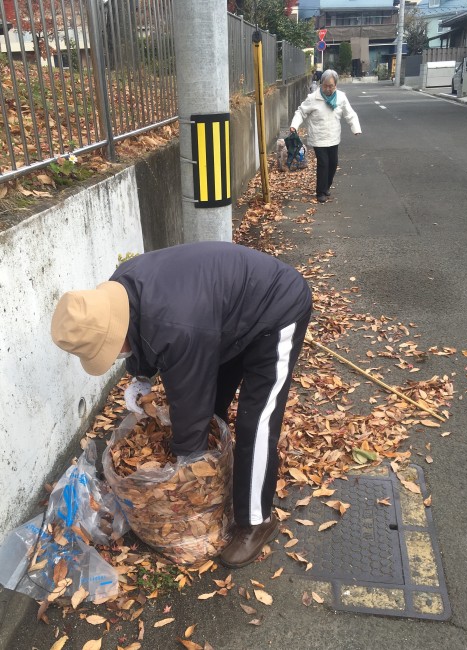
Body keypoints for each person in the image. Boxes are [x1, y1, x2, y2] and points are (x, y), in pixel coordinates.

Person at [51, 241, 312, 568]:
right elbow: (138, 336)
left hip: (277, 307)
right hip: (225, 317)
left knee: (256, 423)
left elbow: (188, 397)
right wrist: (140, 376)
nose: (114, 355)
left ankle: (256, 521)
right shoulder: (118, 293)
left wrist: (186, 467)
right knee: (212, 405)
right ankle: (226, 467)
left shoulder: (176, 326)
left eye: (107, 348)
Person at [290, 69, 362, 203]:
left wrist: (355, 128)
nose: (328, 89)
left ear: (336, 85)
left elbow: (349, 114)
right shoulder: (313, 98)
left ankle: (326, 186)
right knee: (323, 163)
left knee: (333, 163)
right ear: (321, 84)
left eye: (331, 86)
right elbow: (301, 112)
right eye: (325, 86)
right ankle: (321, 192)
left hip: (334, 136)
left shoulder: (341, 97)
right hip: (318, 136)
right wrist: (294, 125)